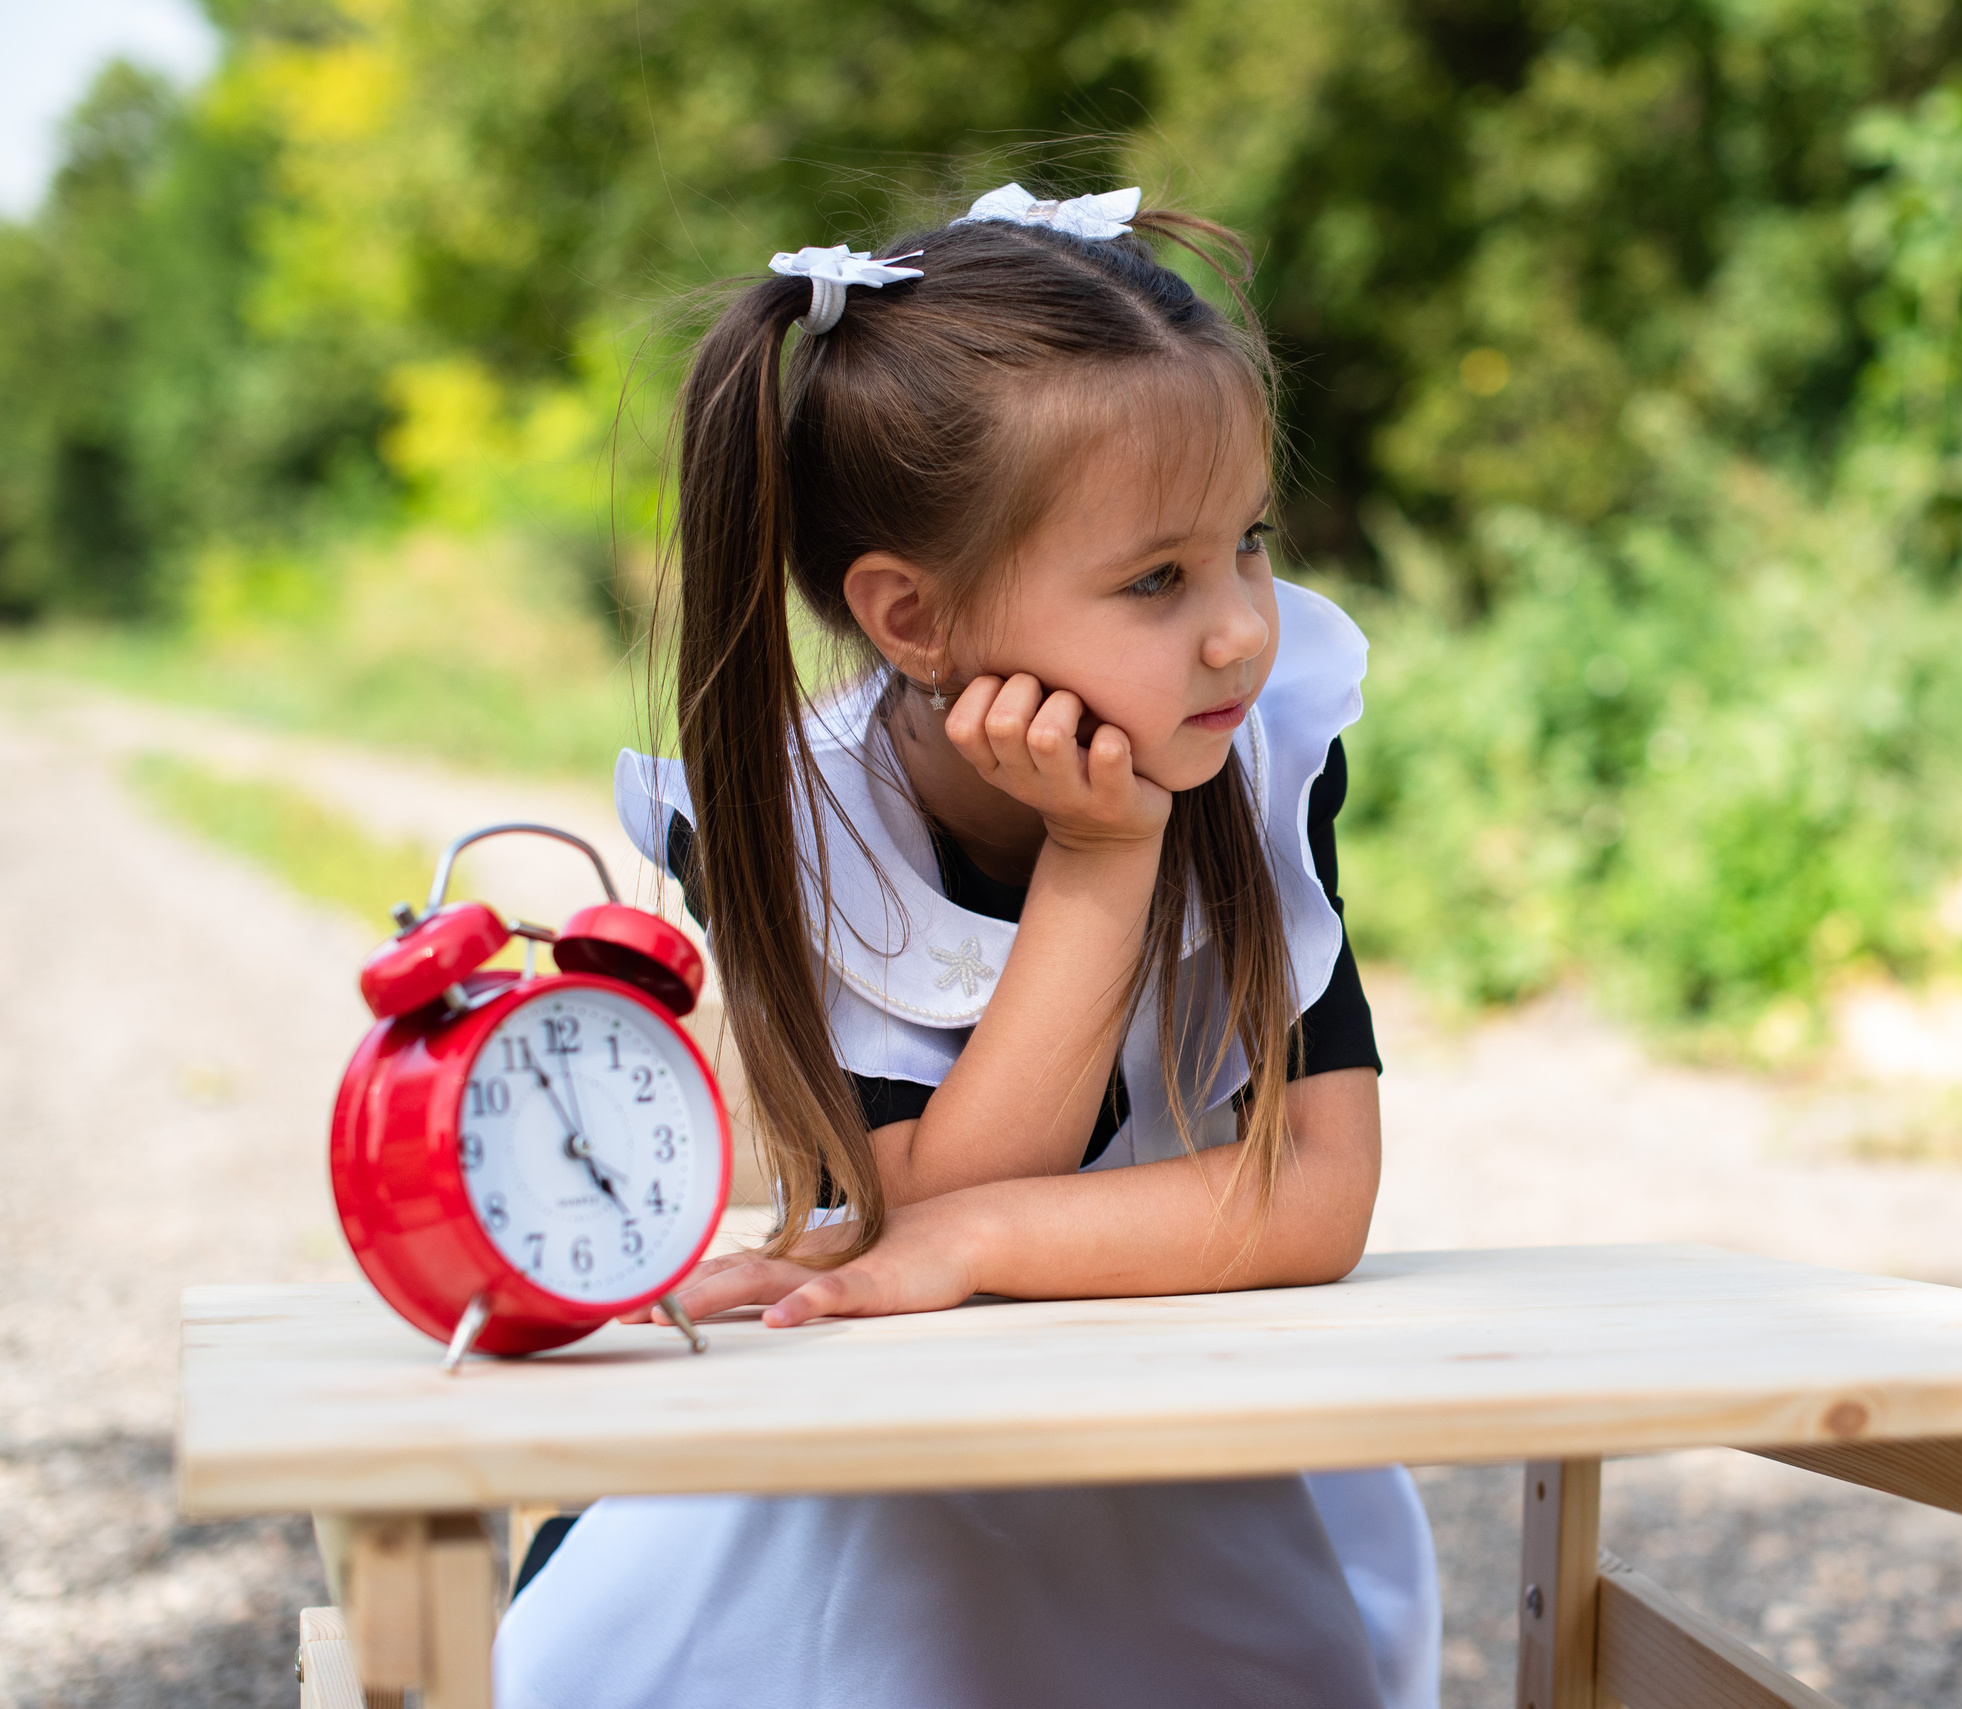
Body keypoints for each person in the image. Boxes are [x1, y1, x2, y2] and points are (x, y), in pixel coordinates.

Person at [491, 185, 1439, 1709]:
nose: (1238, 632)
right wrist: (1099, 862)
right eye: (1155, 578)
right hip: (877, 1454)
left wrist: (981, 1238)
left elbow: (1315, 1188)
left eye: (1247, 543)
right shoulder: (802, 821)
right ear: (914, 620)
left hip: (1166, 1449)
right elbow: (903, 1211)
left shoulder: (1262, 755)